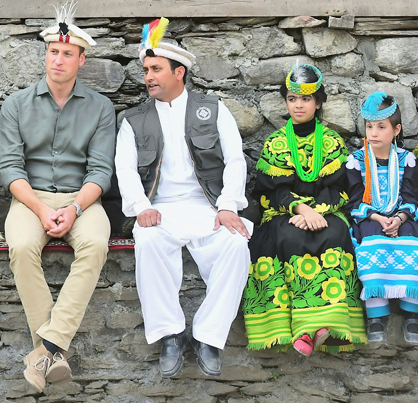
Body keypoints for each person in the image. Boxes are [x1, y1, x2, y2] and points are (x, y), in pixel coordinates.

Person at [115, 19, 251, 377]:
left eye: (156, 69)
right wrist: (142, 208)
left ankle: (208, 336)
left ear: (180, 72)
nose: (148, 77)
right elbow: (125, 170)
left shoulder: (213, 109)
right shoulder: (134, 119)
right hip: (159, 209)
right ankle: (171, 335)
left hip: (208, 206)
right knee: (147, 240)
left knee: (237, 245)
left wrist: (226, 206)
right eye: (145, 70)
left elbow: (236, 159)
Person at [0, 3, 115, 393]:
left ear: (82, 59)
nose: (58, 60)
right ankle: (54, 354)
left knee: (97, 243)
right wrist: (42, 208)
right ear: (45, 55)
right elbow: (10, 169)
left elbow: (101, 171)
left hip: (82, 201)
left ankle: (43, 351)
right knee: (20, 245)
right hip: (31, 200)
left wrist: (75, 207)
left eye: (67, 53)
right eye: (53, 52)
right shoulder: (16, 105)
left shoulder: (101, 107)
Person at [242, 64, 365, 354]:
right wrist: (301, 211)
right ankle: (303, 330)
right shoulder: (276, 143)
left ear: (318, 102)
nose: (298, 105)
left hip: (326, 213)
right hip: (285, 214)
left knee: (336, 233)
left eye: (306, 99)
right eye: (292, 98)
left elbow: (341, 189)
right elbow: (269, 192)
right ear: (286, 102)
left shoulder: (333, 142)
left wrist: (317, 212)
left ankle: (327, 328)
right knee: (287, 237)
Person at [347, 92, 418, 344]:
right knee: (370, 238)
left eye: (381, 127)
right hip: (370, 217)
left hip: (401, 216)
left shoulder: (406, 160)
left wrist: (399, 219)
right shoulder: (355, 161)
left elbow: (411, 197)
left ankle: (412, 313)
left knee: (411, 238)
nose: (373, 133)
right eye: (369, 126)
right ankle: (376, 314)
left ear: (396, 129)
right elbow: (354, 201)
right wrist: (377, 218)